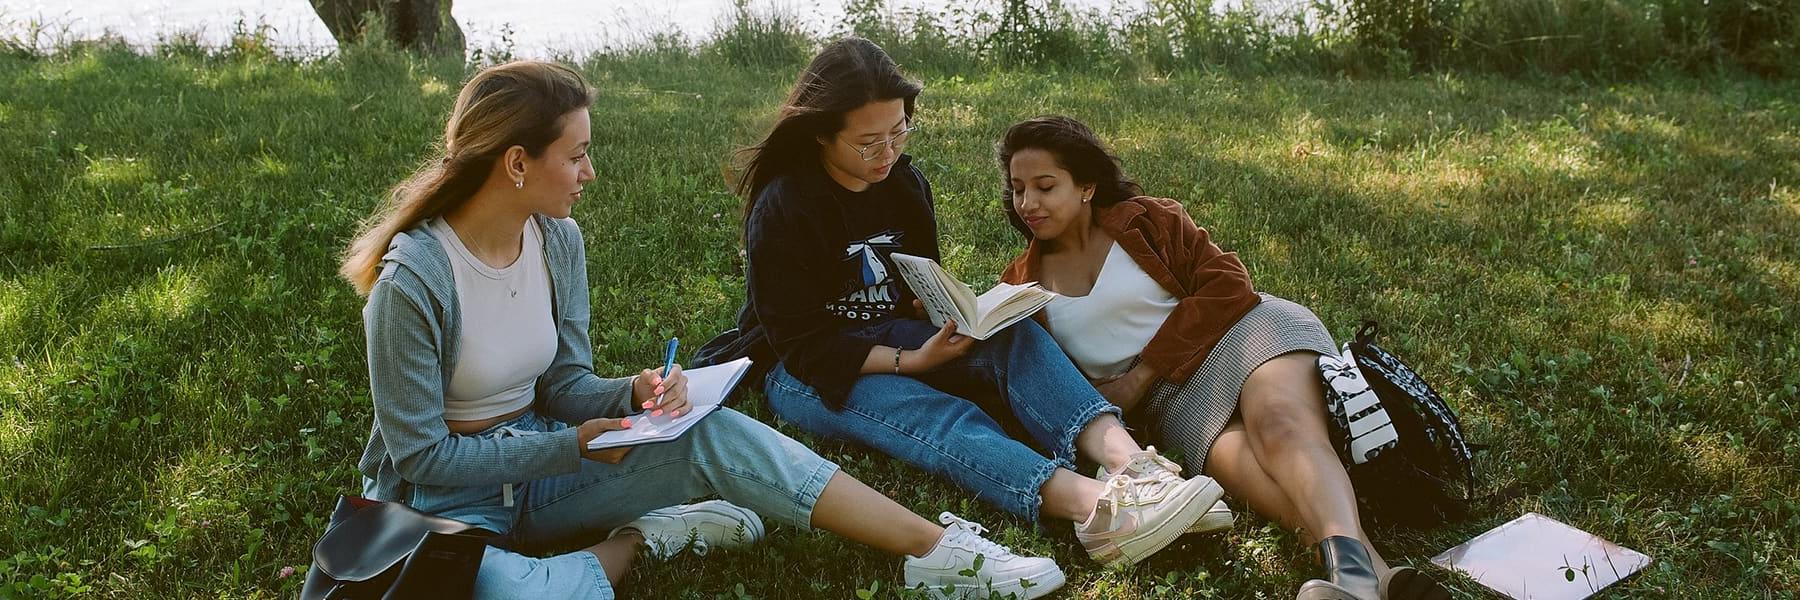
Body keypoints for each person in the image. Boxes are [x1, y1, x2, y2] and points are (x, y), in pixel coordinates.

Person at [340, 59, 1064, 600]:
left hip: (543, 473)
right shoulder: (415, 280)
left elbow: (561, 382)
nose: (590, 172)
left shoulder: (557, 242)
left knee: (716, 432)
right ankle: (647, 537)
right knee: (536, 595)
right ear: (518, 163)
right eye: (577, 154)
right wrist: (566, 448)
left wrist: (633, 392)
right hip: (447, 508)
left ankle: (941, 552)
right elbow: (423, 456)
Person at [697, 38, 1225, 568]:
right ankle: (1097, 512)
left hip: (894, 332)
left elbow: (917, 284)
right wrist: (914, 362)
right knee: (934, 413)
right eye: (868, 143)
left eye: (899, 130)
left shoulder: (903, 184)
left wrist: (959, 318)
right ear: (821, 134)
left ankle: (1136, 469)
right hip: (802, 368)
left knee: (1014, 334)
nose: (888, 153)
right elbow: (804, 346)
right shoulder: (784, 207)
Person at [993, 115, 1452, 600]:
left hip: (1243, 334)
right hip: (1177, 404)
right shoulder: (1021, 284)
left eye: (1045, 186)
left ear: (1086, 186)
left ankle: (1354, 576)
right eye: (1019, 189)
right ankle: (1375, 577)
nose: (1029, 203)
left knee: (1280, 427)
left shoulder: (1148, 220)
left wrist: (1139, 377)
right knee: (1249, 474)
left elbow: (1229, 284)